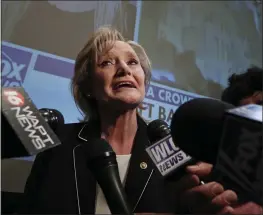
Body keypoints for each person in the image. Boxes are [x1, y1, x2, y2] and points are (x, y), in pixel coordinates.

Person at [20, 26, 255, 214]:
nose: (124, 69)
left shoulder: (177, 152)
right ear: (89, 86)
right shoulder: (57, 143)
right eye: (107, 62)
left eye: (133, 62)